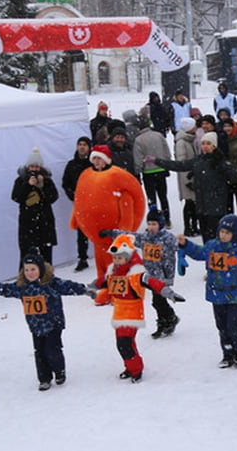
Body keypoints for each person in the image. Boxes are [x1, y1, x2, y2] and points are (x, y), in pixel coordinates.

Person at [0, 248, 89, 390]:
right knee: (40, 353)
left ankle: (59, 371)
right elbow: (7, 289)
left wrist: (84, 290)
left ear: (41, 269)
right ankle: (44, 378)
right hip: (35, 326)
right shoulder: (22, 286)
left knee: (52, 350)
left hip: (53, 323)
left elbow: (68, 286)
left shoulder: (50, 283)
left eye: (33, 269)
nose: (30, 273)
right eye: (26, 270)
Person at [91, 234, 176, 382]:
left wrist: (167, 292)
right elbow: (103, 282)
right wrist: (89, 287)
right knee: (125, 342)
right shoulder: (113, 272)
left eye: (120, 258)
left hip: (132, 313)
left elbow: (152, 282)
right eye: (115, 258)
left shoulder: (136, 274)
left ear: (128, 258)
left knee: (124, 343)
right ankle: (130, 367)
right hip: (119, 312)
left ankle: (136, 369)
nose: (117, 261)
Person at [180, 213, 237, 368]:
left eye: (227, 233)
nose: (223, 235)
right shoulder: (212, 246)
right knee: (221, 325)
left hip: (235, 294)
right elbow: (198, 252)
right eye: (222, 232)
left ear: (235, 234)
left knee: (233, 323)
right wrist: (186, 244)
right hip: (216, 293)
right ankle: (228, 352)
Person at [147, 132, 237, 241]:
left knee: (216, 239)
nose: (205, 146)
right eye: (203, 143)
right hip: (201, 206)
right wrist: (157, 161)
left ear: (214, 146)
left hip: (216, 207)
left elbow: (235, 173)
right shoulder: (198, 160)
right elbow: (179, 165)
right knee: (206, 238)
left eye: (208, 143)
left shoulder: (220, 162)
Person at [70, 145, 146, 285]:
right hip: (96, 235)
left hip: (113, 234)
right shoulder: (85, 175)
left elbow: (128, 202)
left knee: (117, 262)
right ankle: (104, 284)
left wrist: (123, 231)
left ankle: (119, 288)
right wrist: (75, 218)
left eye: (99, 158)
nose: (97, 161)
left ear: (106, 160)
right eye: (95, 158)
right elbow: (79, 198)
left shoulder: (118, 175)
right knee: (102, 263)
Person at [104, 209, 180, 339]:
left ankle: (167, 321)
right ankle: (168, 319)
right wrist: (113, 233)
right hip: (149, 276)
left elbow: (175, 252)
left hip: (162, 276)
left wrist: (168, 276)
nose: (151, 227)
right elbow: (129, 236)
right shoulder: (146, 238)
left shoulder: (167, 239)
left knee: (157, 301)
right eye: (149, 224)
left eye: (154, 224)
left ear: (160, 224)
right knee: (158, 302)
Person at [11, 148, 60, 268]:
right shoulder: (20, 180)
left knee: (46, 257)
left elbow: (53, 197)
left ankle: (47, 280)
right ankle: (24, 281)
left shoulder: (47, 180)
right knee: (26, 255)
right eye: (32, 166)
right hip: (28, 225)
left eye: (37, 167)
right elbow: (16, 197)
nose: (34, 169)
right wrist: (28, 186)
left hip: (45, 223)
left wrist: (41, 187)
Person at [133, 114, 173, 229]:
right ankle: (167, 219)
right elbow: (166, 151)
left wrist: (138, 170)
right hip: (161, 169)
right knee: (163, 196)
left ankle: (154, 220)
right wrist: (167, 164)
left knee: (152, 198)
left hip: (148, 172)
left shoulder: (138, 140)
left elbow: (138, 157)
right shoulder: (159, 135)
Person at [61, 138, 94, 270]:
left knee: (101, 230)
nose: (82, 147)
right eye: (79, 145)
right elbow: (65, 183)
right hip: (80, 203)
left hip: (96, 201)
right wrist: (73, 195)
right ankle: (83, 258)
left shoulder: (93, 163)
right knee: (81, 232)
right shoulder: (71, 165)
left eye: (84, 145)